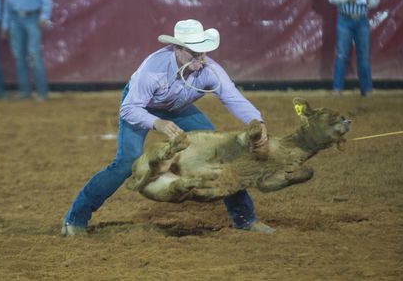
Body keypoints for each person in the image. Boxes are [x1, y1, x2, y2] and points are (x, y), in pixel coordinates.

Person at [61, 19, 275, 236]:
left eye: (203, 52)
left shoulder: (210, 69)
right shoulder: (152, 70)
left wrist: (257, 121)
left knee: (219, 154)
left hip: (179, 108)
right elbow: (129, 109)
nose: (200, 58)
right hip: (141, 107)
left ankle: (244, 218)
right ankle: (75, 218)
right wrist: (157, 122)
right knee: (126, 163)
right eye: (194, 52)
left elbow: (232, 98)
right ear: (177, 48)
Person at [1, 0, 52, 101]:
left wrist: (44, 16)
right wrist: (4, 24)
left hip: (32, 17)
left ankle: (41, 92)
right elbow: (7, 3)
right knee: (19, 56)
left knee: (33, 55)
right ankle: (25, 91)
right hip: (15, 18)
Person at [328, 0, 380, 96]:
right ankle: (337, 89)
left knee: (363, 56)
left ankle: (366, 89)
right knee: (341, 55)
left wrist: (368, 2)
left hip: (361, 20)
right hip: (345, 18)